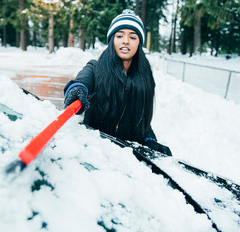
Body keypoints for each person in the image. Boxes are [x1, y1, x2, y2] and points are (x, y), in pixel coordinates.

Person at [63, 9, 172, 156]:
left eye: (133, 37)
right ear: (112, 40)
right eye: (120, 35)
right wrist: (77, 89)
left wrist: (149, 139)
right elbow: (82, 81)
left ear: (139, 43)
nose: (126, 41)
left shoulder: (145, 78)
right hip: (95, 151)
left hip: (128, 157)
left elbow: (141, 118)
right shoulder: (96, 67)